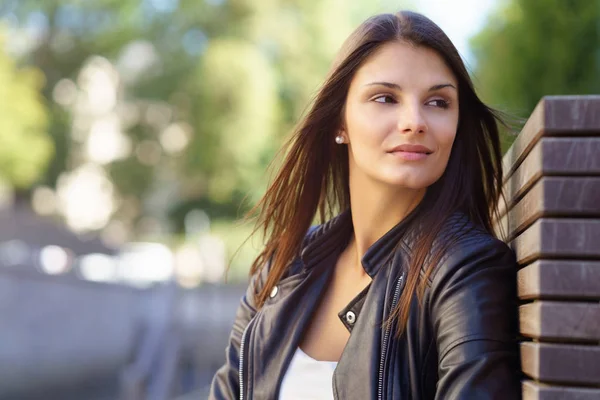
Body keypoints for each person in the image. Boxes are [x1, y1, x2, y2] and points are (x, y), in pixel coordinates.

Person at [210, 10, 520, 400]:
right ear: (340, 122)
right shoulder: (283, 267)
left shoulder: (464, 269)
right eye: (385, 98)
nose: (414, 121)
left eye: (438, 102)